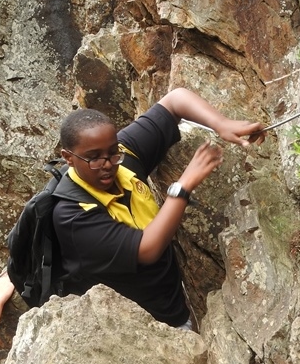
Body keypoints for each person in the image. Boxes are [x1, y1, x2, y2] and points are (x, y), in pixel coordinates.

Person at [52, 87, 265, 330]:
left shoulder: (123, 156)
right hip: (137, 328)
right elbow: (147, 250)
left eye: (113, 152)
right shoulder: (71, 215)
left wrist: (221, 124)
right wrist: (183, 186)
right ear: (68, 158)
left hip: (172, 302)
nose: (108, 164)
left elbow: (176, 101)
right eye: (94, 158)